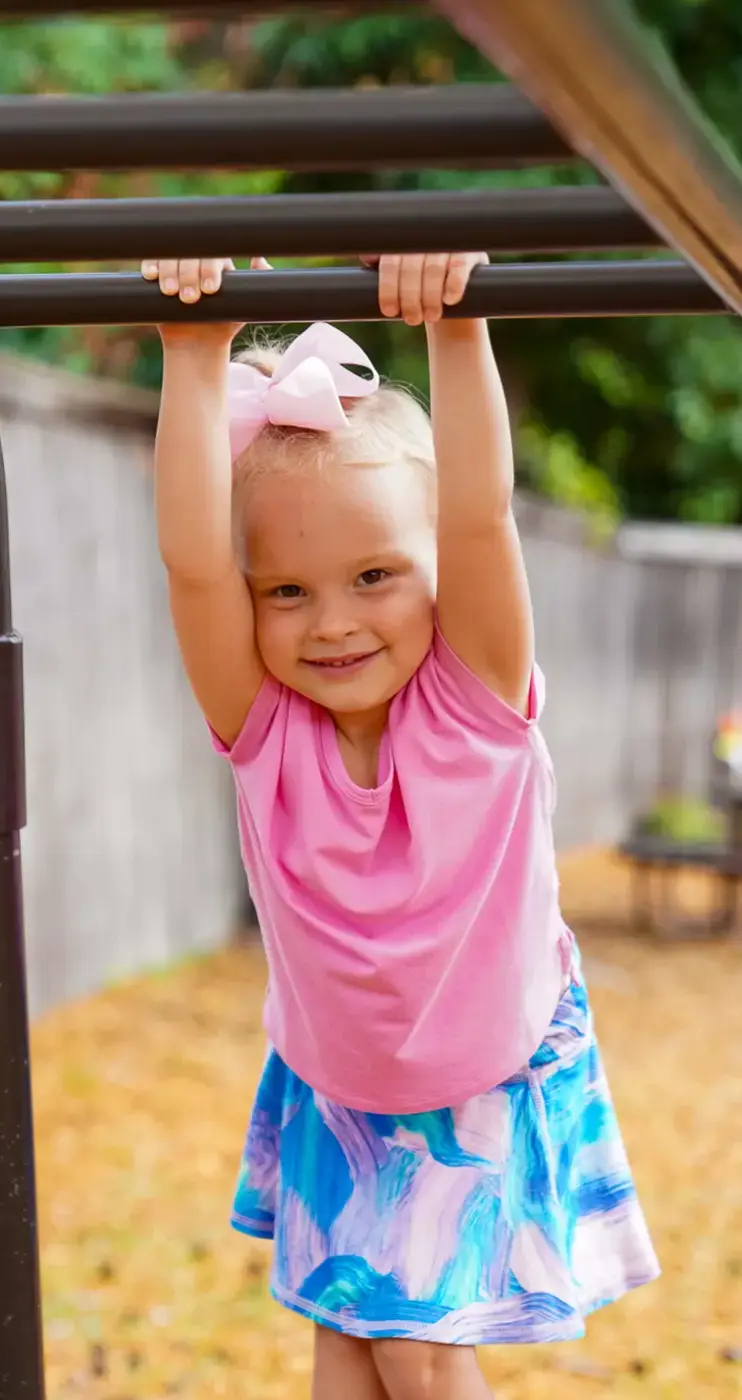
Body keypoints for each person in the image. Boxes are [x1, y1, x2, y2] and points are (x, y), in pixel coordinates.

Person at [142, 249, 660, 1400]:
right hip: (339, 1081)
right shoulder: (265, 726)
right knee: (345, 1351)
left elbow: (478, 518)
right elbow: (190, 569)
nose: (331, 621)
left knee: (419, 1356)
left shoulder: (475, 699)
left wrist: (455, 329)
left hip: (483, 1070)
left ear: (433, 574)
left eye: (376, 574)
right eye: (287, 590)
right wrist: (190, 359)